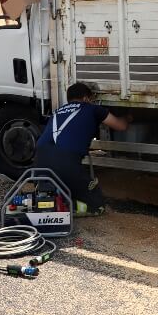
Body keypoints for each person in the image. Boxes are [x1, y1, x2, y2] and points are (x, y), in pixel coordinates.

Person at [35, 82, 129, 216]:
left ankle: (48, 195)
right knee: (97, 206)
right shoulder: (92, 109)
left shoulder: (56, 112)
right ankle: (65, 206)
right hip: (66, 164)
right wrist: (128, 117)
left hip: (39, 164)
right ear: (86, 98)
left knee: (56, 187)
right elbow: (121, 126)